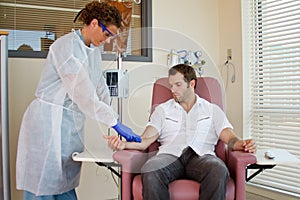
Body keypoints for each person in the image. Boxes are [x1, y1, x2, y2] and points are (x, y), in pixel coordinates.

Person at [16, 1, 140, 199]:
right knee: (43, 183)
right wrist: (113, 122)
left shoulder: (92, 51)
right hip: (47, 122)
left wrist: (114, 123)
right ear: (93, 23)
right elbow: (84, 95)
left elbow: (99, 89)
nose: (108, 41)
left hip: (68, 124)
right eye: (107, 34)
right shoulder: (66, 48)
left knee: (64, 180)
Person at [105, 64, 257, 200]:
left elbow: (229, 138)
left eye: (178, 85)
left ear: (191, 84)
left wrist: (242, 144)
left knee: (218, 169)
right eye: (171, 86)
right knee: (151, 169)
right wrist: (123, 145)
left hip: (201, 157)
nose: (172, 90)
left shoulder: (211, 110)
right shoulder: (162, 110)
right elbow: (145, 140)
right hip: (169, 156)